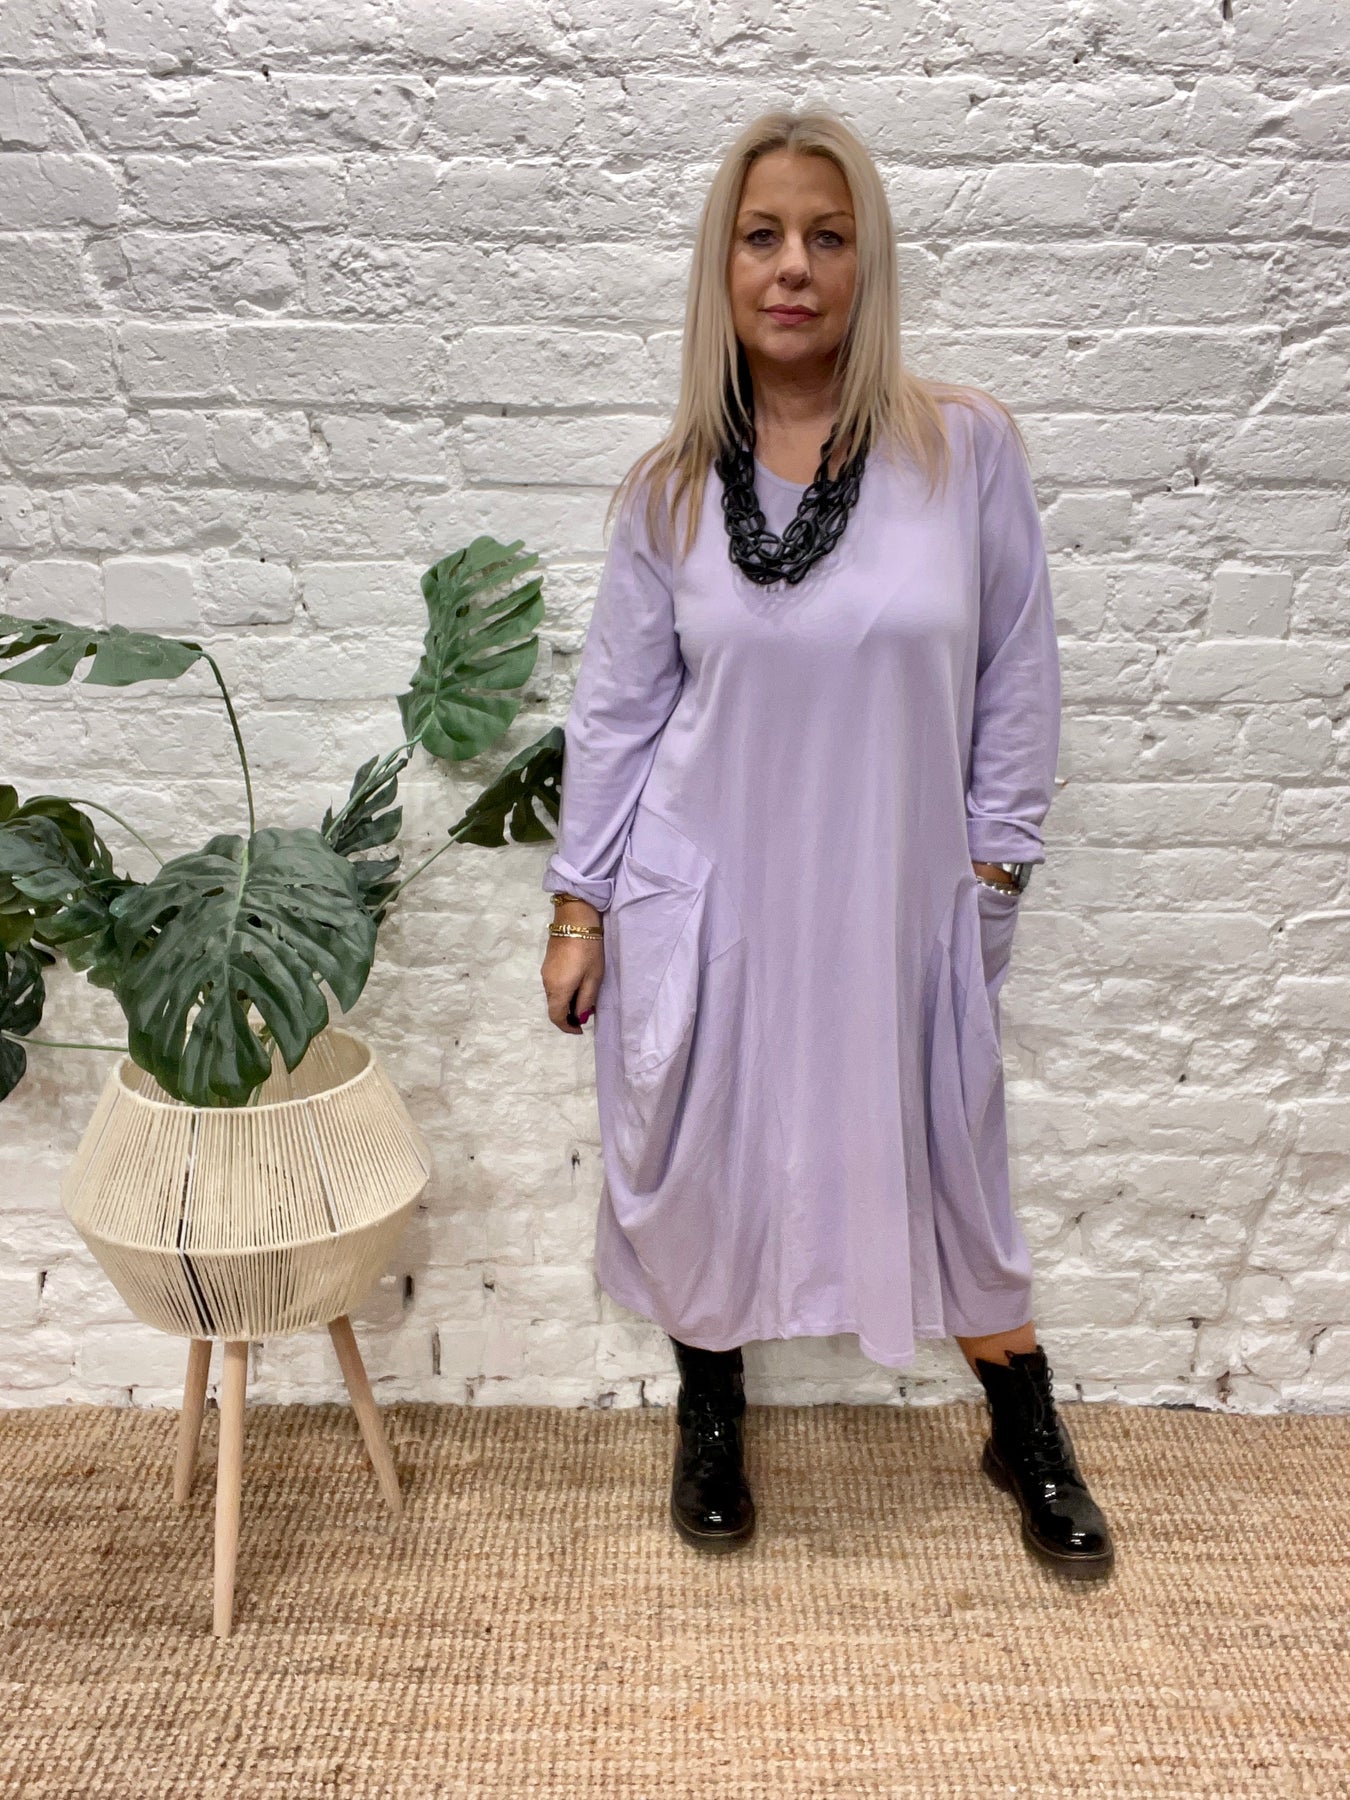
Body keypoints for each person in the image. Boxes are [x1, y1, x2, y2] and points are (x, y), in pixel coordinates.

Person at [539, 108, 1114, 1580]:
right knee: (703, 1153)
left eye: (826, 236)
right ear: (722, 268)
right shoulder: (670, 493)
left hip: (896, 888)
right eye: (762, 237)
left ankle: (1019, 1419)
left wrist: (993, 870)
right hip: (710, 886)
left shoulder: (962, 450)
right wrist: (581, 904)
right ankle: (710, 1408)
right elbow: (615, 713)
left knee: (950, 1152)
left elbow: (1017, 672)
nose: (792, 267)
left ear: (866, 264)